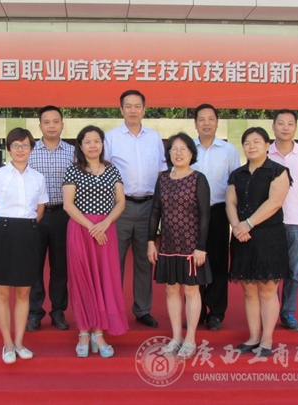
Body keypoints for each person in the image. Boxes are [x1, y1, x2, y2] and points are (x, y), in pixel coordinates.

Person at [0, 128, 48, 364]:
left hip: (28, 232)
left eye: (25, 145)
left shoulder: (38, 178)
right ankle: (7, 344)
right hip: (3, 231)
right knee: (2, 292)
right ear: (9, 149)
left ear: (32, 148)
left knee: (24, 292)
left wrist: (25, 228)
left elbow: (40, 210)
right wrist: (1, 232)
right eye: (15, 145)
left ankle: (19, 342)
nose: (20, 150)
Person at [63, 125, 128, 358]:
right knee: (82, 279)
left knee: (104, 278)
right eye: (88, 142)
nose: (93, 145)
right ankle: (83, 331)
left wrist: (106, 222)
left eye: (97, 141)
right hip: (81, 229)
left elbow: (121, 201)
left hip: (106, 231)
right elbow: (68, 204)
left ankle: (98, 332)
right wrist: (92, 227)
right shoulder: (73, 170)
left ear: (102, 144)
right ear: (80, 146)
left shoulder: (112, 170)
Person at [104, 89, 167, 328]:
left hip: (148, 207)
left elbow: (161, 172)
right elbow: (104, 171)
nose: (133, 110)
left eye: (137, 106)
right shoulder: (111, 138)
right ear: (121, 109)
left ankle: (142, 310)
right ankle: (113, 310)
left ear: (144, 109)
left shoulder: (154, 137)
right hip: (120, 207)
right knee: (115, 261)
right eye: (128, 106)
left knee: (144, 260)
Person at [227, 127, 292, 357]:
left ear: (267, 145)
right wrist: (237, 227)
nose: (251, 146)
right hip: (242, 238)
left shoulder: (278, 171)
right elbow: (230, 203)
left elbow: (274, 203)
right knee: (249, 290)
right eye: (247, 142)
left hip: (268, 236)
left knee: (267, 289)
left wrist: (248, 224)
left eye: (256, 141)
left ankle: (267, 339)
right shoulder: (237, 174)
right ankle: (254, 336)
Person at [147, 133, 212, 360]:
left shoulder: (198, 179)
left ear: (191, 153)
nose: (178, 153)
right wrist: (151, 242)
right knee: (171, 289)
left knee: (191, 290)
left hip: (191, 246)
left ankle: (190, 338)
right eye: (174, 149)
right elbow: (155, 211)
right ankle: (176, 337)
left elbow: (205, 214)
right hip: (167, 244)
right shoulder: (164, 179)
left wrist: (201, 246)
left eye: (183, 148)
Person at [190, 104, 241, 331]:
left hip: (219, 211)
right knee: (194, 262)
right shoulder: (188, 148)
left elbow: (235, 183)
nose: (206, 123)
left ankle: (216, 313)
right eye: (202, 119)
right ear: (195, 123)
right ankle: (197, 310)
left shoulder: (228, 150)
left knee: (219, 262)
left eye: (211, 119)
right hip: (191, 213)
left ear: (217, 122)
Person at [26, 105, 75, 332]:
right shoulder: (29, 152)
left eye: (56, 121)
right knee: (33, 266)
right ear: (40, 126)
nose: (52, 126)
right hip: (35, 216)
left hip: (64, 215)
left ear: (62, 125)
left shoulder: (73, 153)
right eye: (47, 122)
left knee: (60, 267)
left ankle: (58, 312)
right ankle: (34, 313)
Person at [267, 109, 298, 332]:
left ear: (295, 127)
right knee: (271, 270)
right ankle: (270, 311)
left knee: (292, 271)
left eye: (290, 123)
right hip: (270, 221)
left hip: (296, 220)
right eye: (281, 123)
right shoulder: (266, 152)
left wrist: (293, 203)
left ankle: (288, 312)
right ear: (273, 127)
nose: (285, 127)